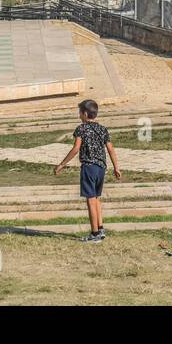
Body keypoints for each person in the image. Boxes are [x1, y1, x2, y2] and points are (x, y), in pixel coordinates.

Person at [53, 99, 121, 242]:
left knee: (90, 200)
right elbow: (110, 149)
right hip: (101, 168)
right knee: (96, 198)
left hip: (89, 168)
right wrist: (116, 167)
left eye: (79, 113)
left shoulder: (81, 129)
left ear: (84, 113)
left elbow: (76, 149)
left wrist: (62, 164)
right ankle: (100, 229)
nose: (79, 116)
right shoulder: (103, 129)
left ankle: (94, 234)